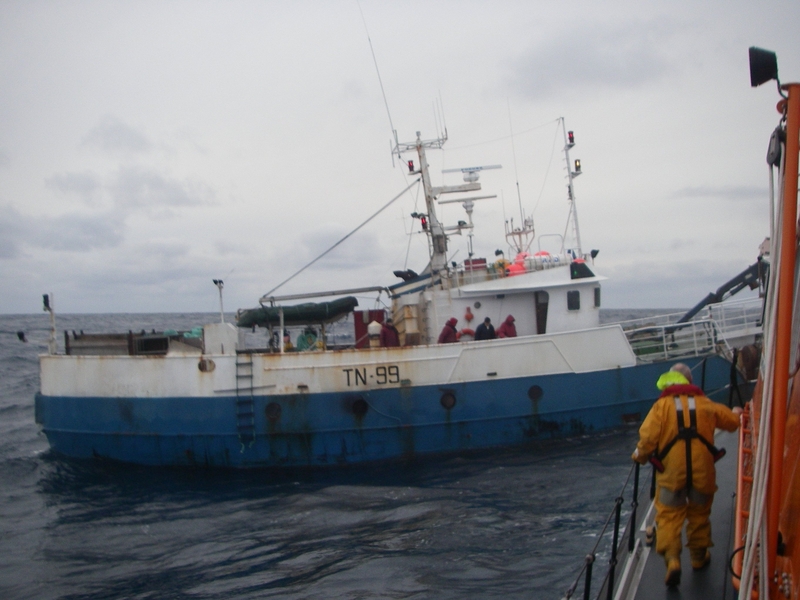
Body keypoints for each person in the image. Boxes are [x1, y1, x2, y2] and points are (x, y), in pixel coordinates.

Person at [632, 363, 742, 587]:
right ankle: (698, 559)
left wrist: (639, 457)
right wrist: (736, 413)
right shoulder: (705, 404)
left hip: (671, 475)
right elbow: (731, 423)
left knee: (669, 517)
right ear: (690, 382)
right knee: (699, 515)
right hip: (703, 473)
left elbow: (646, 440)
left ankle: (673, 560)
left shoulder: (660, 407)